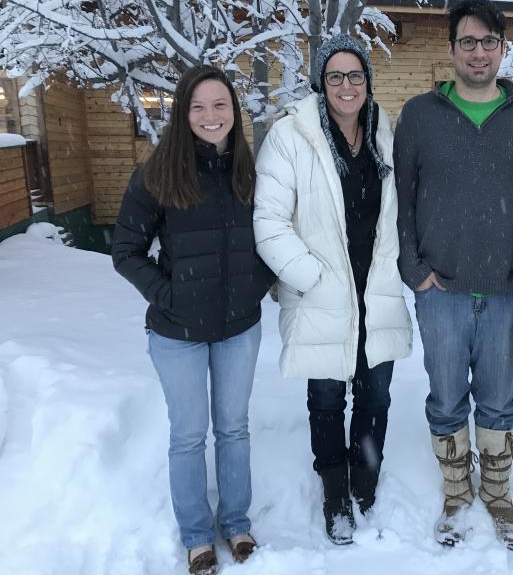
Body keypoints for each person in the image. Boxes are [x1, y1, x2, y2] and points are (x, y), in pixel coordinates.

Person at [393, 0, 513, 549]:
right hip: (441, 290)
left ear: (503, 47)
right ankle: (457, 490)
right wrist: (414, 269)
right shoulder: (420, 115)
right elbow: (405, 198)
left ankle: (498, 492)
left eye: (489, 41)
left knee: (498, 397)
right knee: (445, 398)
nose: (479, 52)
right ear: (452, 50)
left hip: (508, 289)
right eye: (468, 41)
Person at [112, 65, 274, 575]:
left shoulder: (250, 172)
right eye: (199, 107)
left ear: (234, 111)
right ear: (184, 114)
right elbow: (126, 250)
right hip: (176, 334)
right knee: (187, 435)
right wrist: (168, 295)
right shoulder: (158, 173)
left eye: (220, 105)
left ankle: (236, 523)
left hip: (238, 329)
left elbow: (275, 237)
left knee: (233, 429)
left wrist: (256, 284)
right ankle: (197, 535)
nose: (211, 116)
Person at [253, 34, 412, 546]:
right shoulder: (291, 136)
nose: (347, 86)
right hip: (322, 291)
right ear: (321, 82)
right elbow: (270, 222)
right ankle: (334, 494)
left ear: (367, 82)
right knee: (326, 397)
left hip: (377, 291)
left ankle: (365, 480)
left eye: (356, 75)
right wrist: (311, 279)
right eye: (336, 76)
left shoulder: (383, 133)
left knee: (377, 395)